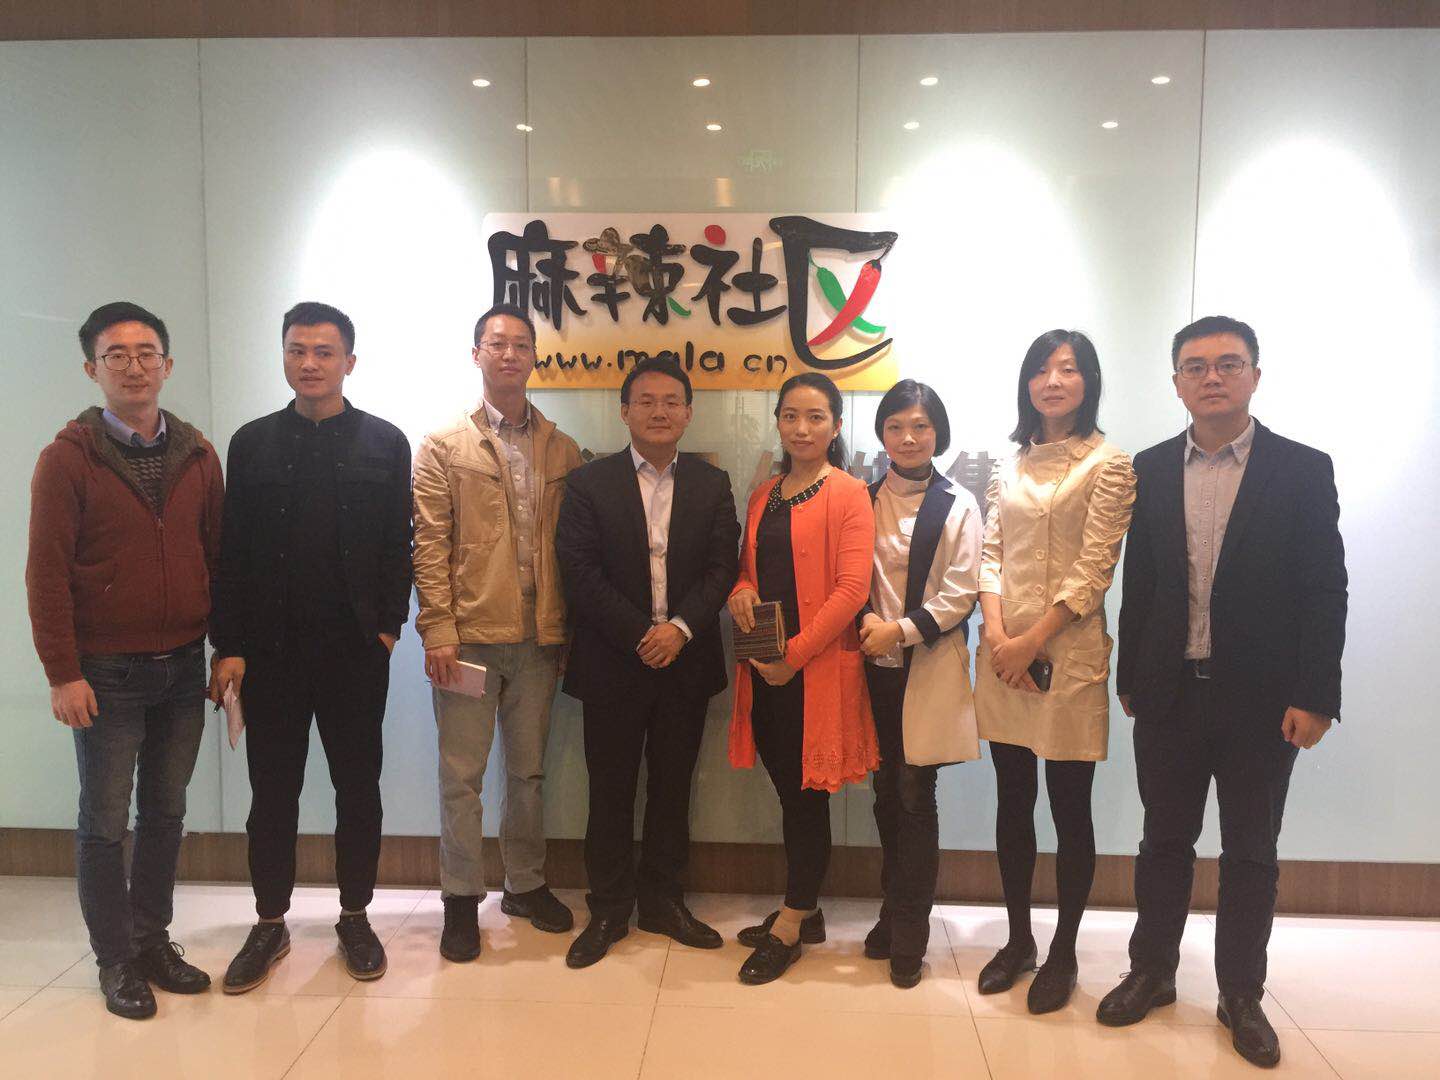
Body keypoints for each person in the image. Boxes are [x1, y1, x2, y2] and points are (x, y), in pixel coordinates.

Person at [1099, 316, 1347, 1069]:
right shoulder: (1149, 468)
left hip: (1263, 702)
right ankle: (1152, 971)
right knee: (1162, 843)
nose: (1212, 377)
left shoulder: (1301, 469)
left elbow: (1324, 588)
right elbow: (1142, 582)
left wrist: (1317, 694)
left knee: (1251, 851)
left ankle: (1241, 993)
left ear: (1255, 376)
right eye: (1196, 366)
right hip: (1169, 694)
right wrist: (1131, 677)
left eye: (1228, 364)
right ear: (1176, 382)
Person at [26, 301, 224, 1019]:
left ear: (167, 365)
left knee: (166, 813)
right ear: (93, 369)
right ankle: (115, 959)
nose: (134, 367)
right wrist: (62, 672)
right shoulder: (67, 459)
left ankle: (151, 940)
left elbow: (219, 557)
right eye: (117, 355)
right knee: (105, 821)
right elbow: (46, 573)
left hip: (183, 666)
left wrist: (227, 647)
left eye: (147, 354)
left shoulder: (198, 454)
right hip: (105, 672)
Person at [209, 302, 412, 993]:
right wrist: (229, 645)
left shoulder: (385, 442)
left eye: (324, 352)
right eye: (297, 350)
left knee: (357, 789)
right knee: (272, 793)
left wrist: (388, 629)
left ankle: (355, 916)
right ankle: (270, 922)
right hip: (270, 654)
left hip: (355, 651)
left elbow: (398, 544)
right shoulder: (252, 443)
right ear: (284, 357)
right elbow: (232, 552)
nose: (310, 363)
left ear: (349, 361)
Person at [556, 357, 740, 969]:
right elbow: (579, 571)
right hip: (613, 662)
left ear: (688, 413)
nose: (659, 412)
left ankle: (663, 901)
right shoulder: (589, 483)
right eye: (646, 401)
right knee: (609, 790)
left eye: (671, 402)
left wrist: (679, 630)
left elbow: (723, 567)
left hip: (685, 662)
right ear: (624, 411)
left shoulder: (712, 483)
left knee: (671, 787)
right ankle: (609, 907)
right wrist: (644, 634)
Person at [412, 303, 583, 962]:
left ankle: (525, 884)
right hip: (469, 639)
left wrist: (567, 631)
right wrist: (437, 628)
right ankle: (460, 899)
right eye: (497, 343)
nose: (509, 354)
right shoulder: (443, 446)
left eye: (521, 345)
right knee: (462, 777)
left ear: (535, 356)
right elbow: (429, 542)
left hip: (540, 639)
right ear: (477, 354)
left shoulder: (561, 448)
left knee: (529, 773)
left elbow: (574, 549)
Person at [973, 329, 1135, 1013]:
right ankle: (1018, 940)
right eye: (1041, 370)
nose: (1053, 381)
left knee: (1071, 808)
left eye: (1068, 369)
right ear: (1027, 384)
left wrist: (1032, 640)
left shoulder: (1109, 464)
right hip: (1004, 653)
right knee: (1012, 801)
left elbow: (1094, 569)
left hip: (1067, 656)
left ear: (1088, 381)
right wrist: (998, 635)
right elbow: (989, 553)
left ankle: (1063, 951)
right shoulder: (1007, 466)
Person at [728, 372, 877, 985]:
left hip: (811, 673)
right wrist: (740, 591)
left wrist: (794, 656)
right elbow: (747, 569)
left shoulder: (849, 493)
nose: (801, 428)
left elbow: (852, 590)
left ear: (836, 425)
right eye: (790, 415)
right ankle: (805, 906)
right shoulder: (765, 493)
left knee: (806, 797)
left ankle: (792, 921)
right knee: (790, 792)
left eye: (816, 417)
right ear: (778, 423)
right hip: (764, 670)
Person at [856, 380, 983, 989]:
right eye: (896, 427)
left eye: (920, 427)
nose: (908, 438)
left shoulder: (958, 503)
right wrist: (866, 623)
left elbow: (962, 593)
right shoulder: (861, 498)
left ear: (938, 434)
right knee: (885, 793)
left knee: (913, 795)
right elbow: (847, 574)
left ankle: (910, 931)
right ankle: (891, 912)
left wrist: (899, 631)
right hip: (868, 669)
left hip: (923, 665)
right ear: (882, 434)